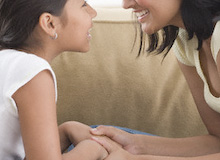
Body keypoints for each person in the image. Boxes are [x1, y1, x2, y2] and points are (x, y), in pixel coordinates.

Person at [88, 0, 220, 159]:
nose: (126, 4)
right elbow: (217, 141)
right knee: (93, 140)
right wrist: (135, 145)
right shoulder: (186, 41)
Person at [0, 0, 109, 159]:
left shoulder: (8, 62)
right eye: (83, 4)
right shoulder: (33, 72)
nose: (93, 12)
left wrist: (65, 131)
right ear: (50, 23)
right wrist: (94, 149)